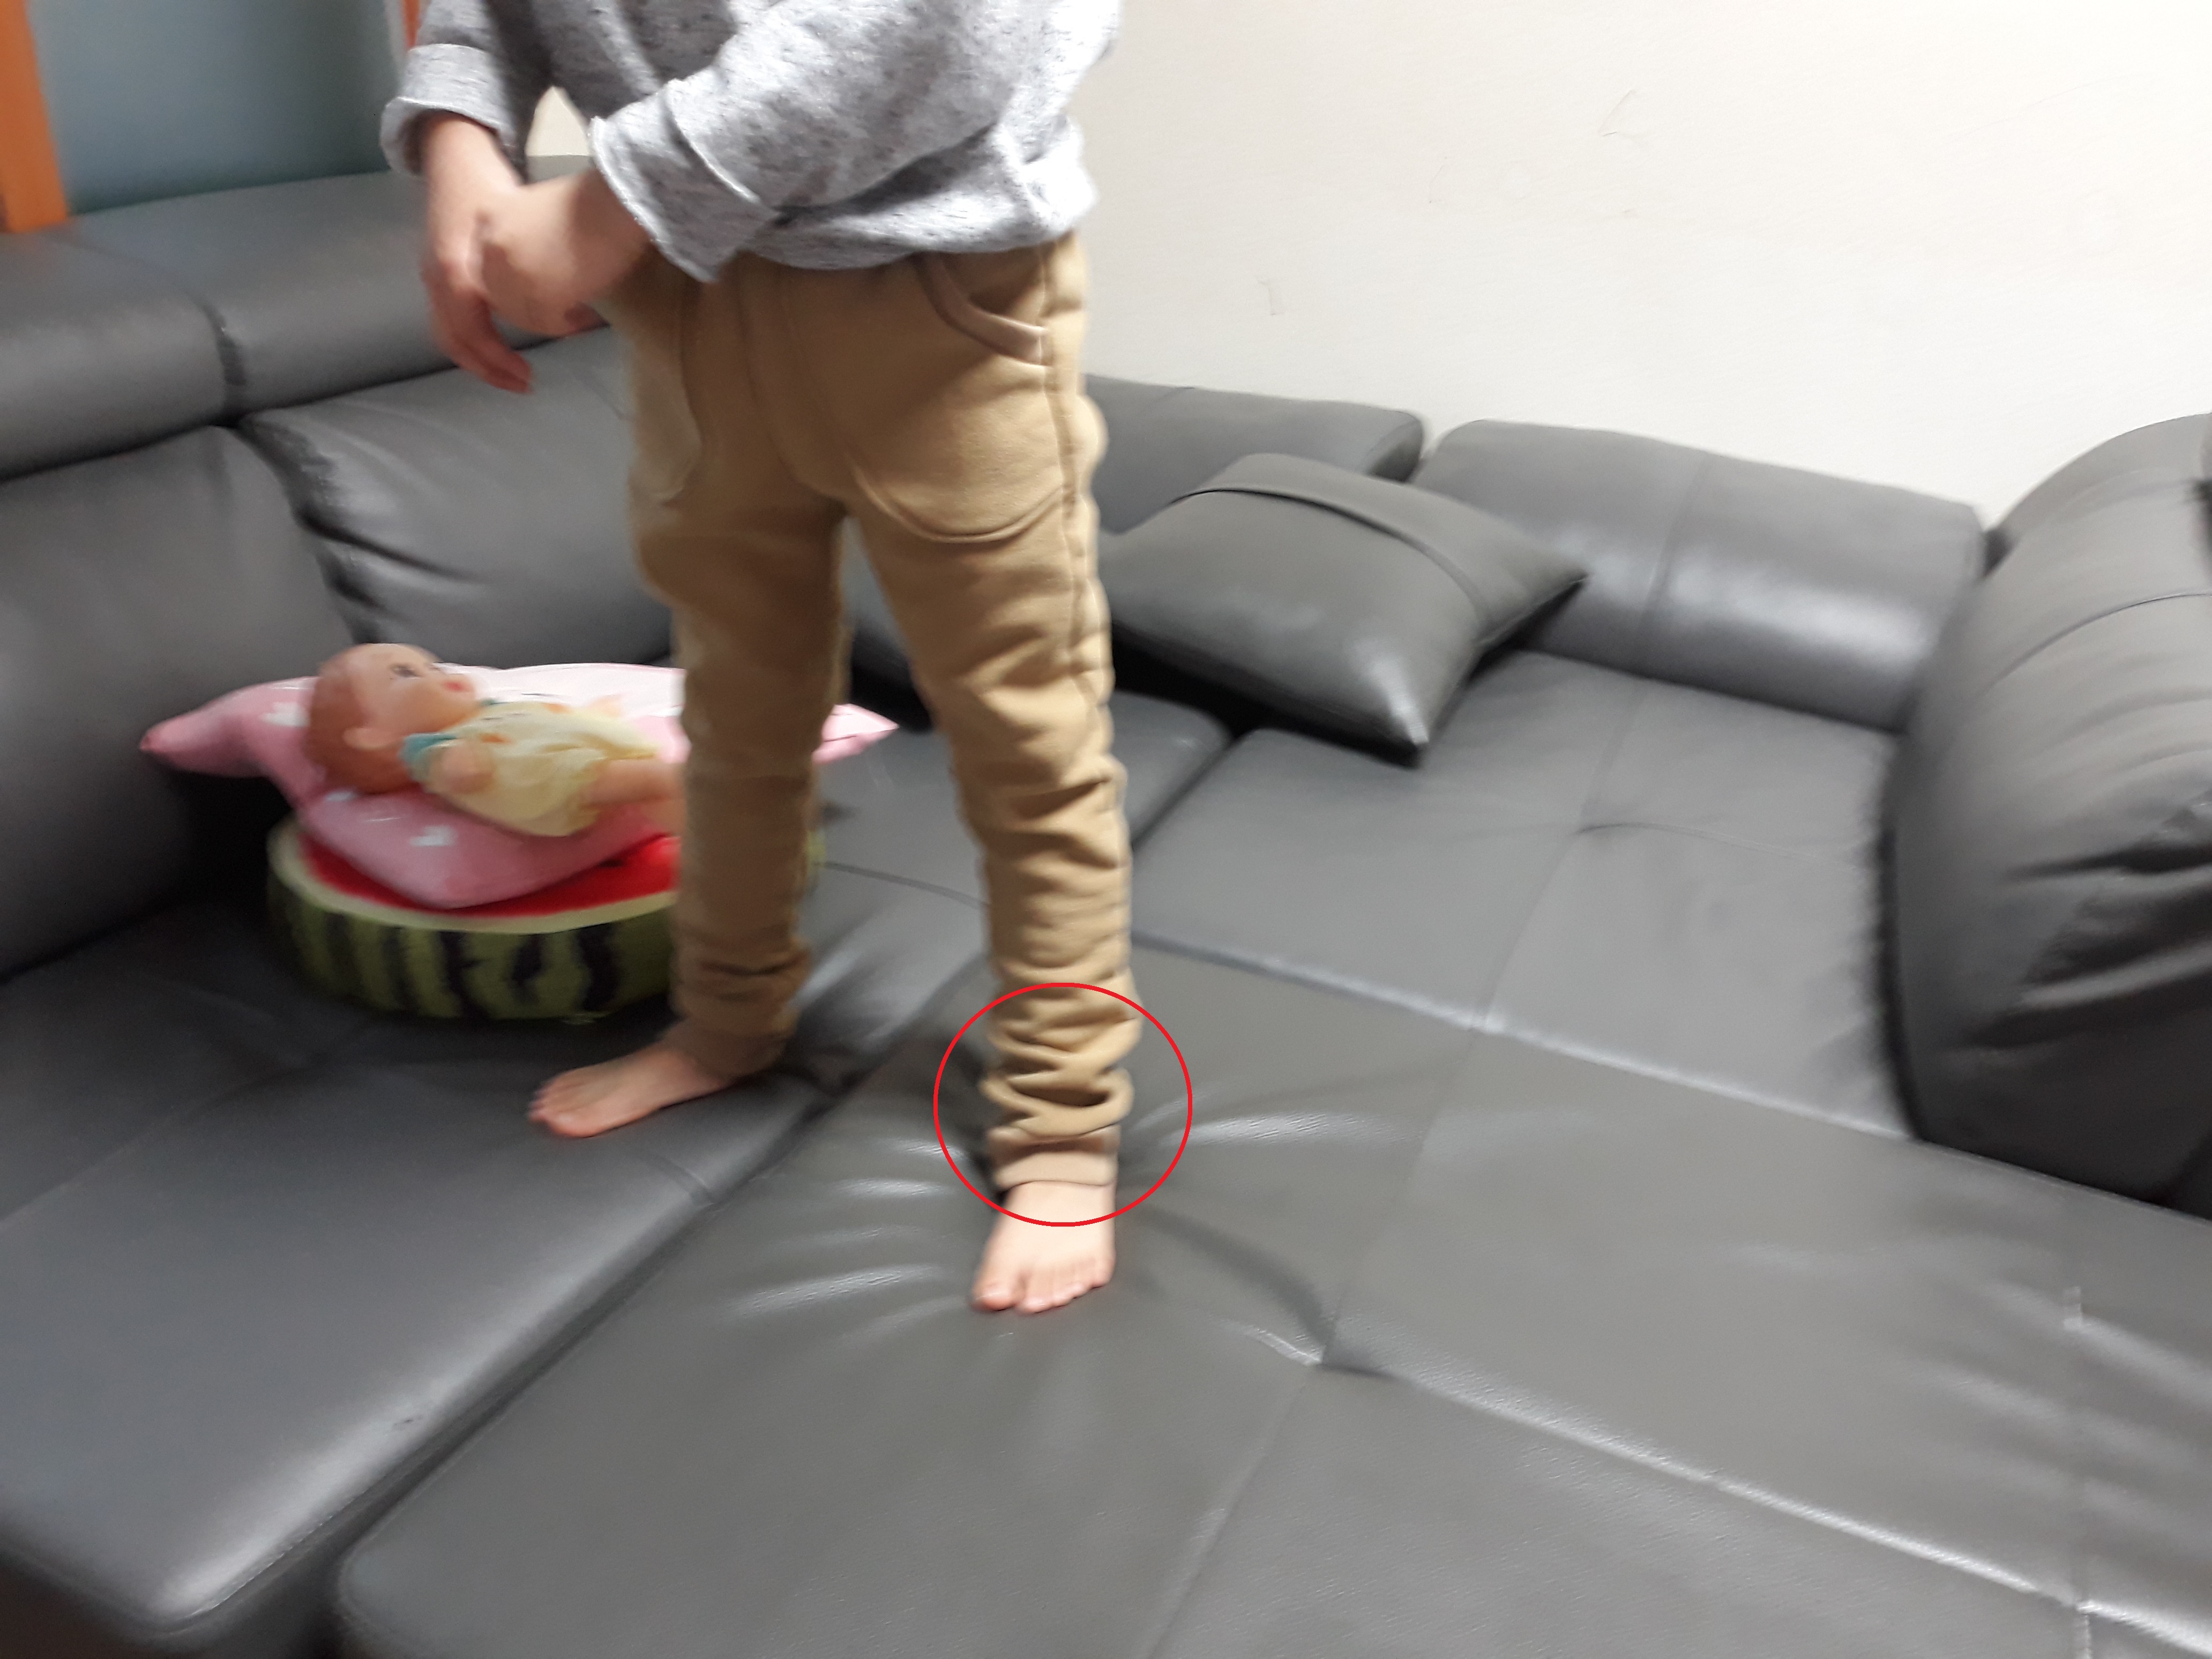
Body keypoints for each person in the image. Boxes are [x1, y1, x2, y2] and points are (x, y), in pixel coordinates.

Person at [384, 0, 1133, 1316]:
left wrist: (616, 194)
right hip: (685, 303)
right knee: (735, 713)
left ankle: (1064, 1129)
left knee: (1031, 739)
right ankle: (725, 1026)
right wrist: (457, 135)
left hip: (936, 296)